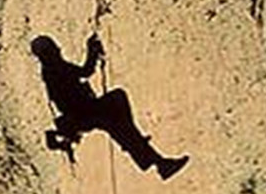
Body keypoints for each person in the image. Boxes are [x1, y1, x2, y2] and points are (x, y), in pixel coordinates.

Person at [30, 33, 189, 181]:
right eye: (54, 47)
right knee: (118, 103)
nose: (59, 48)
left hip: (83, 113)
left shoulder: (50, 70)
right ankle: (148, 154)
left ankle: (155, 161)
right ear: (49, 52)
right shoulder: (56, 68)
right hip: (86, 113)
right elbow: (86, 71)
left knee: (120, 125)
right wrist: (91, 49)